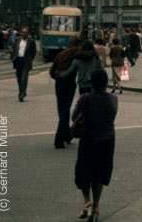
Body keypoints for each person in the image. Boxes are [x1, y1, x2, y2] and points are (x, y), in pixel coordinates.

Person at [72, 69, 117, 222]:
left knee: (84, 171)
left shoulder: (85, 98)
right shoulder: (113, 98)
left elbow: (73, 116)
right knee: (99, 174)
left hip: (89, 139)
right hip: (107, 140)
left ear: (91, 83)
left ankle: (87, 201)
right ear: (105, 83)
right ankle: (96, 206)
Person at [50, 37, 81, 149]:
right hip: (69, 83)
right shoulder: (75, 52)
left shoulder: (61, 53)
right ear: (77, 44)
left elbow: (52, 71)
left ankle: (66, 135)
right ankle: (59, 140)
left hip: (59, 83)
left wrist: (58, 76)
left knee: (62, 110)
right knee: (65, 111)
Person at [11, 27, 37, 101]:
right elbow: (15, 49)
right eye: (23, 32)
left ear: (28, 33)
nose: (24, 34)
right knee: (19, 78)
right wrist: (13, 56)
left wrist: (30, 60)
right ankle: (21, 91)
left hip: (26, 62)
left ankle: (22, 94)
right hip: (18, 60)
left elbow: (33, 52)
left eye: (25, 32)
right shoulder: (17, 39)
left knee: (24, 78)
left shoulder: (31, 41)